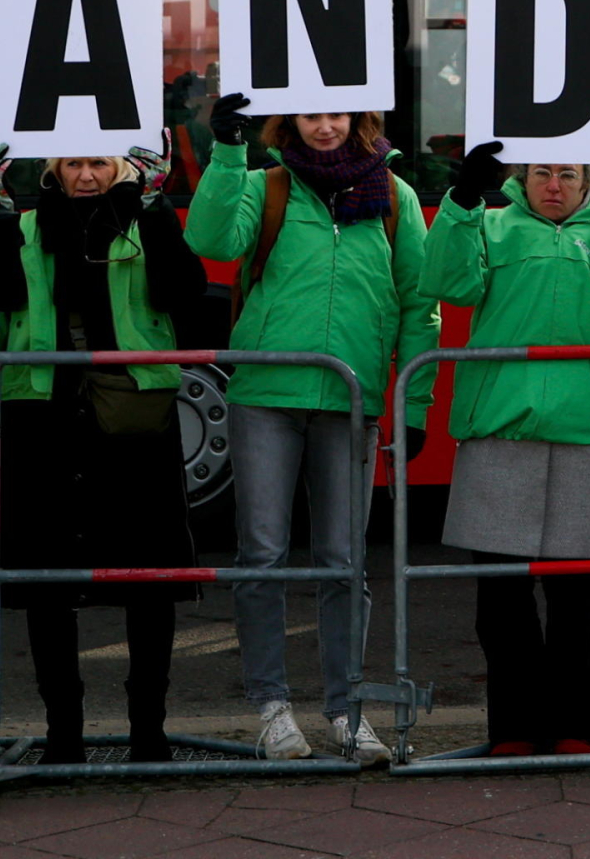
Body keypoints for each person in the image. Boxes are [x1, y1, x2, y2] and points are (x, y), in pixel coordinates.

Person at [0, 150, 206, 764]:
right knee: (46, 584)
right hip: (41, 414)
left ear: (123, 167)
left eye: (99, 163)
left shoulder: (145, 214)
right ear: (52, 171)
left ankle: (149, 733)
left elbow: (183, 290)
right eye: (72, 165)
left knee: (147, 579)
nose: (86, 176)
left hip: (131, 418)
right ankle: (63, 735)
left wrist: (154, 206)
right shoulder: (20, 222)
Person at [184, 99, 435, 765]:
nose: (325, 126)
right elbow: (211, 241)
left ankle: (347, 714)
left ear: (361, 119)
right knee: (261, 553)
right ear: (286, 122)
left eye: (339, 115)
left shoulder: (394, 194)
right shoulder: (264, 183)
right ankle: (272, 711)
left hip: (351, 399)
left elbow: (419, 303)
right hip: (266, 392)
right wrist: (227, 150)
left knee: (344, 562)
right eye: (310, 115)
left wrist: (413, 404)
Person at [416, 143, 590, 755]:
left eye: (567, 174)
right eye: (541, 173)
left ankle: (576, 726)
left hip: (582, 428)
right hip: (500, 426)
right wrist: (462, 201)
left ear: (589, 181)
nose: (552, 184)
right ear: (521, 178)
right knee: (500, 599)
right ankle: (514, 728)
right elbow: (447, 283)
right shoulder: (491, 222)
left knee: (574, 596)